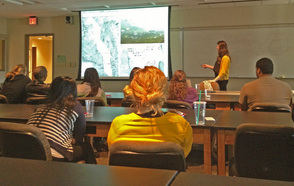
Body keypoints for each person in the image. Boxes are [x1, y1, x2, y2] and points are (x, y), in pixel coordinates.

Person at [107, 66, 193, 157]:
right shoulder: (180, 125)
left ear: (133, 91)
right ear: (164, 92)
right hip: (166, 171)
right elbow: (182, 155)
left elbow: (113, 153)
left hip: (128, 171)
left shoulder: (118, 124)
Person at [27, 76, 96, 164]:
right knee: (87, 148)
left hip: (27, 150)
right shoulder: (75, 106)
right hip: (52, 154)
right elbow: (79, 137)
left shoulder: (40, 105)